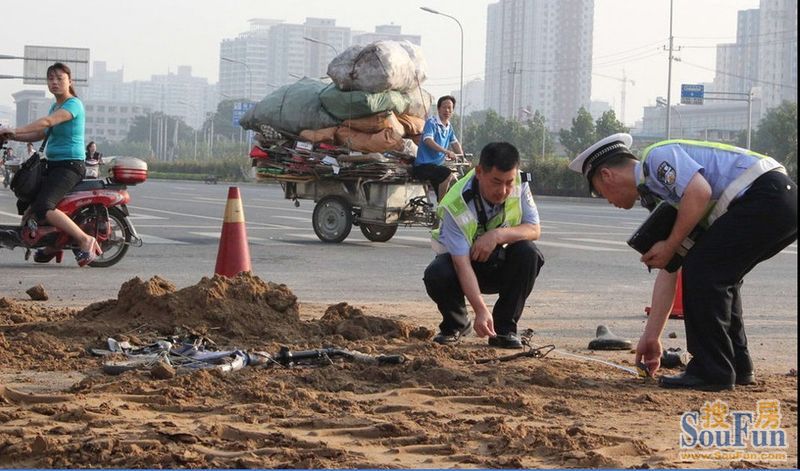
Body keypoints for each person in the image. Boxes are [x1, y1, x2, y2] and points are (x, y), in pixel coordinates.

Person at [569, 133, 797, 391]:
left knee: (705, 270)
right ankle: (736, 364)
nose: (609, 202)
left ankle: (712, 371)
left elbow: (699, 192)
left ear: (606, 176)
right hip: (779, 202)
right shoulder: (658, 194)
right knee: (719, 275)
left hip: (768, 195)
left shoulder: (656, 159)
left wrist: (669, 245)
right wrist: (651, 336)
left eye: (601, 193)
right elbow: (672, 268)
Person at [424, 142, 545, 349]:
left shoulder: (521, 182)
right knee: (436, 273)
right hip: (464, 269)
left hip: (500, 263)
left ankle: (504, 329)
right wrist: (480, 309)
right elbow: (461, 265)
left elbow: (534, 229)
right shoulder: (456, 204)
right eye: (496, 182)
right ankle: (456, 325)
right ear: (479, 172)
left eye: (508, 183)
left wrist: (496, 235)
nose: (504, 190)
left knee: (528, 253)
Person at [0, 62, 103, 266]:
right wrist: (11, 136)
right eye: (51, 79)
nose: (54, 82)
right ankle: (54, 244)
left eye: (59, 78)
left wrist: (14, 129)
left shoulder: (73, 104)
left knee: (44, 206)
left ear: (69, 81)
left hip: (70, 166)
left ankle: (85, 240)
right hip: (54, 164)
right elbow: (41, 133)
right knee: (27, 199)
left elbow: (47, 123)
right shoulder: (56, 105)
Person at [413, 95, 464, 202]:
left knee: (452, 186)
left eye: (450, 108)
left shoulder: (449, 127)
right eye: (444, 107)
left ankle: (440, 212)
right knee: (447, 173)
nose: (447, 110)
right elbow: (428, 140)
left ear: (452, 111)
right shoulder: (432, 123)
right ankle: (441, 206)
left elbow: (455, 143)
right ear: (439, 109)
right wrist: (446, 151)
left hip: (435, 168)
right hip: (423, 166)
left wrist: (462, 157)